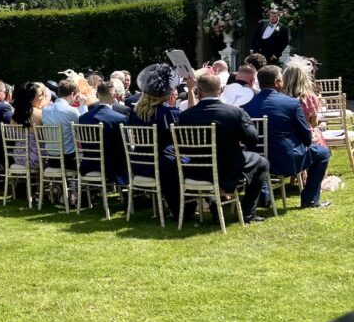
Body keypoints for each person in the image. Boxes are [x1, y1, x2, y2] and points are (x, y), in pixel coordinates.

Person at [177, 71, 269, 224]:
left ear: (198, 92)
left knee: (253, 160)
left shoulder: (186, 115)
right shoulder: (235, 112)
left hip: (195, 169)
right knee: (262, 163)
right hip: (227, 168)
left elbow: (181, 146)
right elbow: (252, 140)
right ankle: (248, 213)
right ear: (220, 91)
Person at [245, 65, 331, 208]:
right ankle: (309, 199)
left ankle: (264, 196)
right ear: (278, 81)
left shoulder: (247, 106)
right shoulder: (291, 103)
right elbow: (306, 136)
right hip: (286, 160)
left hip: (257, 161)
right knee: (323, 153)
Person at [128, 63, 189, 218]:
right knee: (189, 162)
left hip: (140, 161)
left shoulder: (135, 112)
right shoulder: (168, 113)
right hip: (163, 163)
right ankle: (185, 209)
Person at [80, 79, 128, 184]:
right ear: (114, 96)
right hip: (111, 168)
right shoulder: (120, 118)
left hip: (87, 165)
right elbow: (125, 146)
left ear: (97, 95)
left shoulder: (83, 118)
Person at [282, 61, 327, 148]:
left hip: (286, 138)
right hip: (306, 138)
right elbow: (313, 124)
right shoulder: (309, 98)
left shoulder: (280, 96)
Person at [41, 77, 81, 170]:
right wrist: (82, 106)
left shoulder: (45, 110)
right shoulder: (72, 111)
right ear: (72, 94)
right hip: (69, 160)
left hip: (51, 159)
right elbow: (83, 128)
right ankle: (73, 183)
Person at [11, 81, 48, 165]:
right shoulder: (41, 114)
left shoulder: (14, 116)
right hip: (37, 159)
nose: (42, 97)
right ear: (30, 98)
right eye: (40, 95)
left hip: (18, 158)